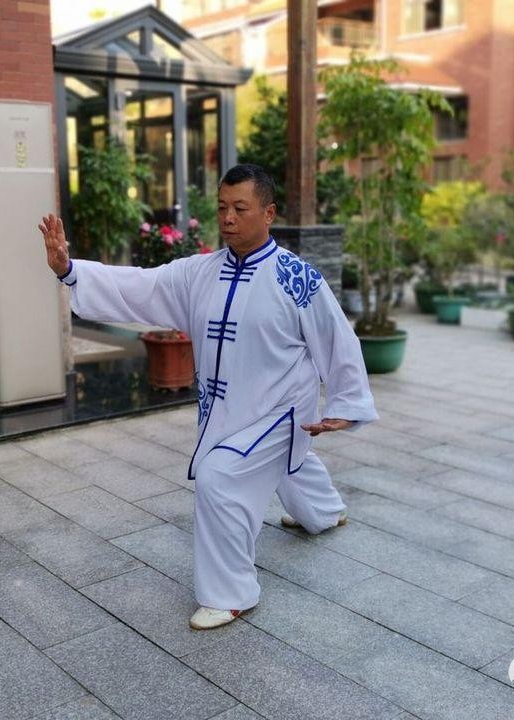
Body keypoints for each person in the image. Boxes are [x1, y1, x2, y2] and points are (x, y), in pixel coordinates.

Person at [40, 164, 378, 630]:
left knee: (221, 477)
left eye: (240, 208)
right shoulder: (199, 272)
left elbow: (338, 339)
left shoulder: (298, 278)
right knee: (287, 465)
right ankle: (326, 513)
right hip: (224, 411)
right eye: (222, 207)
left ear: (269, 213)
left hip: (281, 414)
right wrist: (70, 270)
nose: (228, 218)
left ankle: (231, 593)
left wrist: (346, 404)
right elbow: (141, 284)